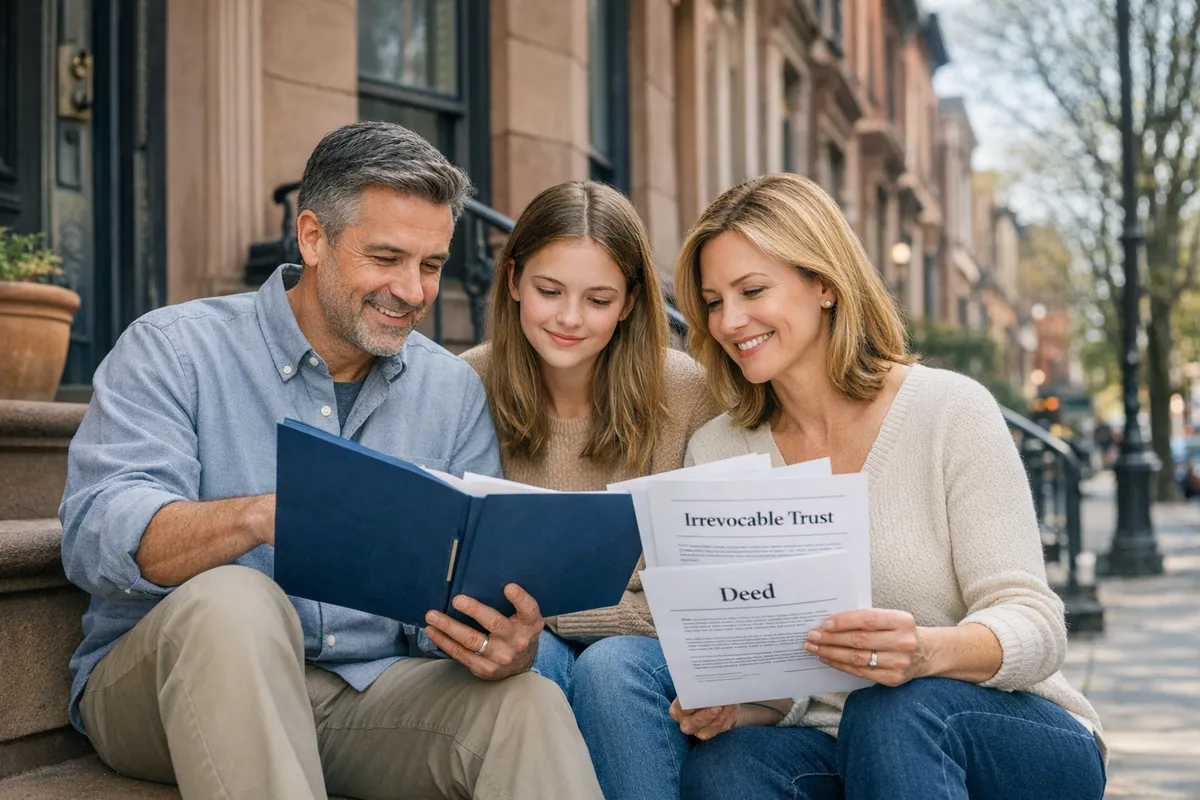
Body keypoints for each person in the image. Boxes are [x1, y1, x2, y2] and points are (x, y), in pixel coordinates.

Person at [59, 121, 604, 800]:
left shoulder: (451, 388)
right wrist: (259, 519)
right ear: (312, 237)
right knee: (236, 598)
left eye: (431, 265)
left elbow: (455, 596)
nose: (412, 291)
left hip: (365, 691)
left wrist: (501, 641)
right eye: (386, 258)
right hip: (164, 683)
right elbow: (97, 536)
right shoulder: (173, 349)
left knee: (528, 704)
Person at [574, 173, 1107, 800]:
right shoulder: (718, 448)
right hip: (836, 737)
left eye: (752, 290)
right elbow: (785, 668)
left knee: (892, 709)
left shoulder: (949, 410)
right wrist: (739, 708)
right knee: (729, 764)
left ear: (824, 283)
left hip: (1008, 732)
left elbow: (1036, 625)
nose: (729, 321)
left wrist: (925, 653)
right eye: (714, 301)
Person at [459, 181, 719, 695]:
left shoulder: (687, 391)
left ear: (629, 302)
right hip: (524, 646)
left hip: (643, 660)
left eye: (598, 299)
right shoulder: (467, 384)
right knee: (530, 666)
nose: (570, 318)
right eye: (549, 291)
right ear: (513, 281)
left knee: (610, 669)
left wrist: (555, 612)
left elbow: (706, 595)